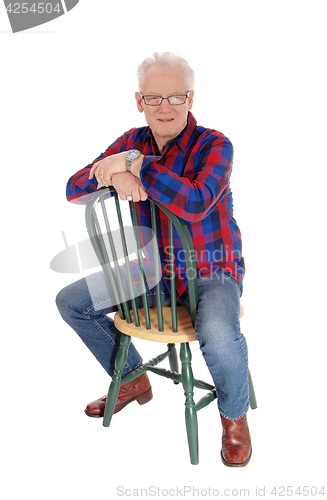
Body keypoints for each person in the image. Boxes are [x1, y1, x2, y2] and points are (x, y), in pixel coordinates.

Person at [56, 52, 252, 467]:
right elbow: (74, 188)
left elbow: (195, 202)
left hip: (211, 270)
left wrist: (135, 166)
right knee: (71, 301)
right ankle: (131, 377)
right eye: (154, 97)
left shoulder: (215, 145)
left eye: (175, 97)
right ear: (138, 100)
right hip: (152, 271)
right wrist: (117, 169)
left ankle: (234, 417)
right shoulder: (131, 139)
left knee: (216, 330)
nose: (165, 107)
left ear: (191, 99)